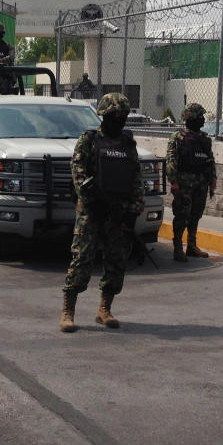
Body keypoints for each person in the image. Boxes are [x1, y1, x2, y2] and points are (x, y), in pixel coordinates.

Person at [60, 92, 144, 332]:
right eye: (114, 116)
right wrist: (92, 200)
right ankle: (68, 311)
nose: (119, 120)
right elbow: (78, 172)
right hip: (92, 211)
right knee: (82, 260)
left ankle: (104, 309)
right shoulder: (89, 140)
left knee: (117, 262)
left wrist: (133, 211)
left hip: (119, 212)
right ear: (104, 116)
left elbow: (136, 178)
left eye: (122, 116)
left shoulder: (128, 144)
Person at [166, 103, 216, 262]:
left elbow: (210, 160)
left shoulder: (205, 139)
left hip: (201, 182)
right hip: (184, 183)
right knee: (182, 215)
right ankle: (178, 247)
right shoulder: (178, 137)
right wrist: (173, 181)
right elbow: (171, 160)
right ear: (191, 118)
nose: (202, 119)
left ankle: (192, 246)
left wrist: (213, 179)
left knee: (196, 214)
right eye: (199, 116)